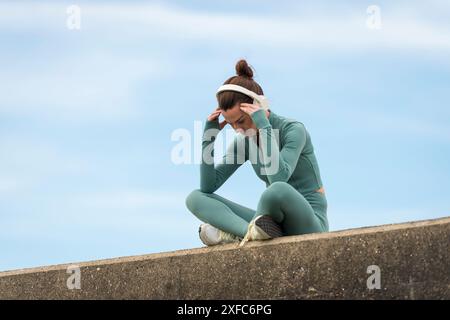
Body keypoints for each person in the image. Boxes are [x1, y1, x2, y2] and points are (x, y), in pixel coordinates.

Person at [185, 59, 328, 247]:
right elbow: (208, 186)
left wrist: (263, 125)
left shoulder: (293, 130)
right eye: (231, 124)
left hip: (309, 223)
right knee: (195, 198)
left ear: (258, 106)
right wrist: (209, 137)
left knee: (275, 191)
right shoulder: (245, 141)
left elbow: (278, 179)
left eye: (241, 121)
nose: (237, 129)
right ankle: (250, 233)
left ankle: (234, 234)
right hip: (270, 225)